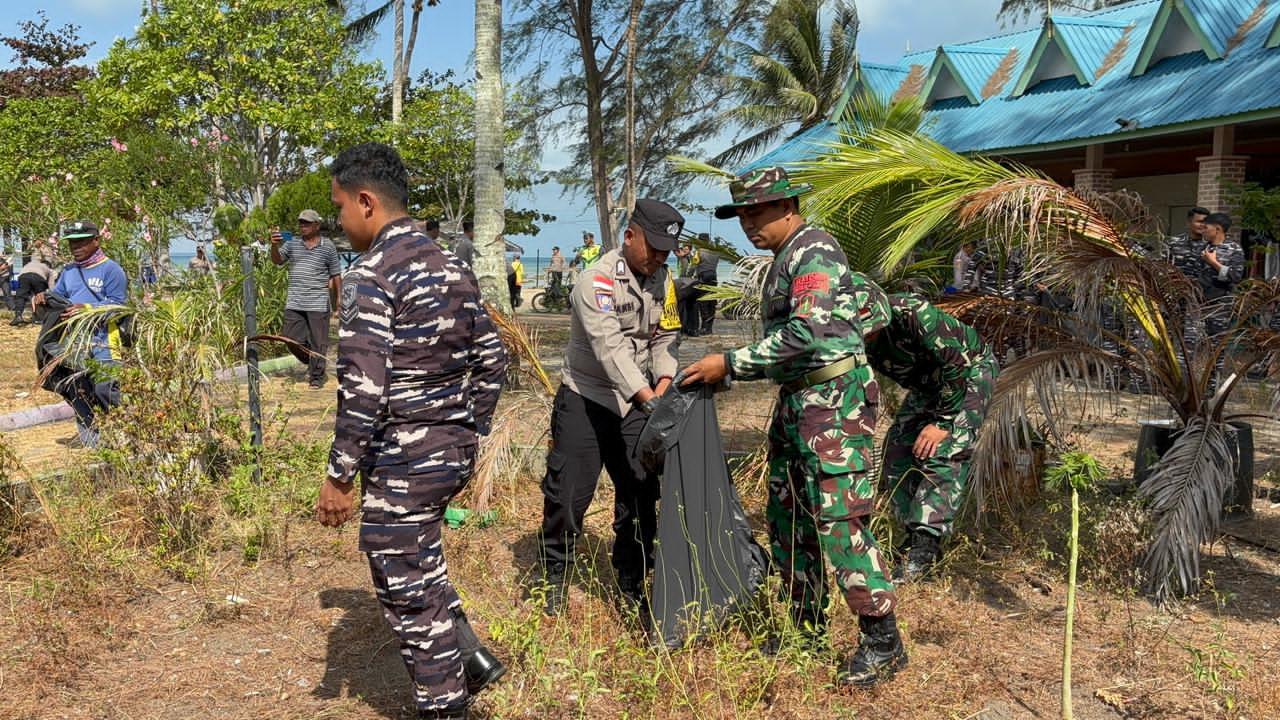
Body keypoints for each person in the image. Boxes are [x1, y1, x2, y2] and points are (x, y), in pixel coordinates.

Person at [681, 166, 905, 688]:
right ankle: (807, 629)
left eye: (756, 212)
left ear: (788, 206)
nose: (747, 225)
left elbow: (808, 332)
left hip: (833, 404)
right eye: (740, 215)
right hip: (800, 400)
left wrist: (731, 363)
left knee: (840, 520)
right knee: (790, 519)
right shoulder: (787, 257)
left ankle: (882, 639)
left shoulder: (814, 251)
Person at [315, 142, 509, 720]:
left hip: (402, 459)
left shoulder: (369, 275)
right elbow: (494, 358)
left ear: (367, 202)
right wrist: (469, 431)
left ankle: (446, 707)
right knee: (424, 563)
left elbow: (364, 389)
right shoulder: (453, 265)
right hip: (448, 452)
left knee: (409, 596)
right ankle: (472, 659)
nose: (338, 220)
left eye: (339, 207)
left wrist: (338, 475)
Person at [537, 199, 684, 619]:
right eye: (652, 248)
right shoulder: (596, 281)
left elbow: (665, 339)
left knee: (641, 491)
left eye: (665, 253)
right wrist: (650, 398)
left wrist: (664, 382)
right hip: (587, 397)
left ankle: (631, 578)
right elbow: (610, 348)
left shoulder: (664, 280)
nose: (658, 259)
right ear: (630, 235)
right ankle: (553, 577)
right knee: (567, 496)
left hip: (639, 400)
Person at [865, 293, 997, 582]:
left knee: (944, 451)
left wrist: (942, 422)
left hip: (969, 371)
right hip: (930, 384)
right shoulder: (840, 329)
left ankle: (926, 546)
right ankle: (912, 534)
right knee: (897, 449)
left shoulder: (911, 312)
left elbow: (957, 367)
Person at [34, 221, 128, 447]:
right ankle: (94, 446)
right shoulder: (68, 271)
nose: (76, 246)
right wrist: (43, 298)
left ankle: (125, 437)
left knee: (106, 389)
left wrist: (86, 309)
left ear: (96, 240)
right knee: (79, 391)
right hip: (74, 343)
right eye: (72, 242)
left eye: (82, 241)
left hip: (104, 342)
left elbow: (118, 306)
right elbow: (59, 298)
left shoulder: (111, 270)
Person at [270, 209, 342, 389]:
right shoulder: (292, 244)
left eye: (307, 223)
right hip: (294, 302)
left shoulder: (328, 246)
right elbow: (277, 261)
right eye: (301, 223)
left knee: (319, 342)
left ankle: (316, 377)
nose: (303, 226)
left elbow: (336, 274)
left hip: (318, 302)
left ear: (317, 225)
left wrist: (339, 299)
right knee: (289, 339)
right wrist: (273, 246)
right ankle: (313, 361)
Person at [11, 252, 56, 325]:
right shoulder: (49, 269)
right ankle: (40, 318)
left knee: (21, 297)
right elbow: (52, 287)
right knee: (40, 296)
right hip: (38, 277)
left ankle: (18, 316)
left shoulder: (31, 263)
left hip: (24, 276)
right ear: (48, 265)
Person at [1167, 206, 1210, 281]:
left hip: (1203, 290)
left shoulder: (1211, 245)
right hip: (1178, 288)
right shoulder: (1173, 242)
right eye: (1199, 221)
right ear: (1189, 223)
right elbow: (1163, 266)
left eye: (1206, 222)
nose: (1203, 225)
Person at [693, 235, 719, 335]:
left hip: (703, 277)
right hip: (713, 277)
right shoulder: (715, 252)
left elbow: (694, 264)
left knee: (703, 302)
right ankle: (709, 328)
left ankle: (704, 327)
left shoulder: (699, 252)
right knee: (712, 302)